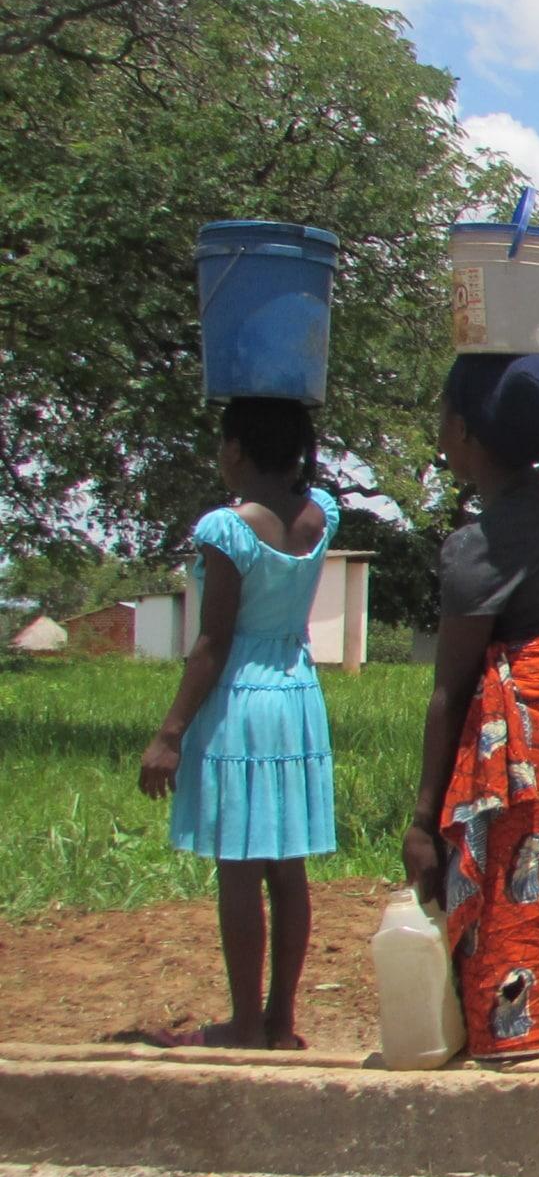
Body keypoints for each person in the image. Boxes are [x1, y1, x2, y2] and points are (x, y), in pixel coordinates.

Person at [403, 351, 539, 1060]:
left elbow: (451, 690)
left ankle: (515, 1033)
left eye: (444, 416)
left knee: (511, 881)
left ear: (465, 434)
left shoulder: (477, 551)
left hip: (521, 729)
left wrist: (424, 821)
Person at [139, 398, 340, 1049]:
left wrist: (170, 732)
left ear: (236, 451)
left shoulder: (226, 530)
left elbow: (212, 642)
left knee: (239, 867)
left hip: (241, 702)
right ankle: (281, 1021)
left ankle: (244, 1022)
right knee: (287, 867)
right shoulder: (320, 516)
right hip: (297, 693)